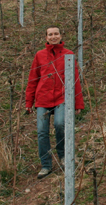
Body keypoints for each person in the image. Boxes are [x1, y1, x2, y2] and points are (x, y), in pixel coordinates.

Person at [25, 26, 84, 179]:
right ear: (46, 37)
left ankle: (64, 157)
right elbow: (33, 79)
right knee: (42, 132)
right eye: (50, 34)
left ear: (60, 36)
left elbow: (76, 80)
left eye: (56, 34)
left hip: (61, 98)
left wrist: (78, 103)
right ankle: (46, 165)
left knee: (60, 124)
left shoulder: (68, 54)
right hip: (43, 99)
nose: (53, 36)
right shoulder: (39, 55)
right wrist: (28, 101)